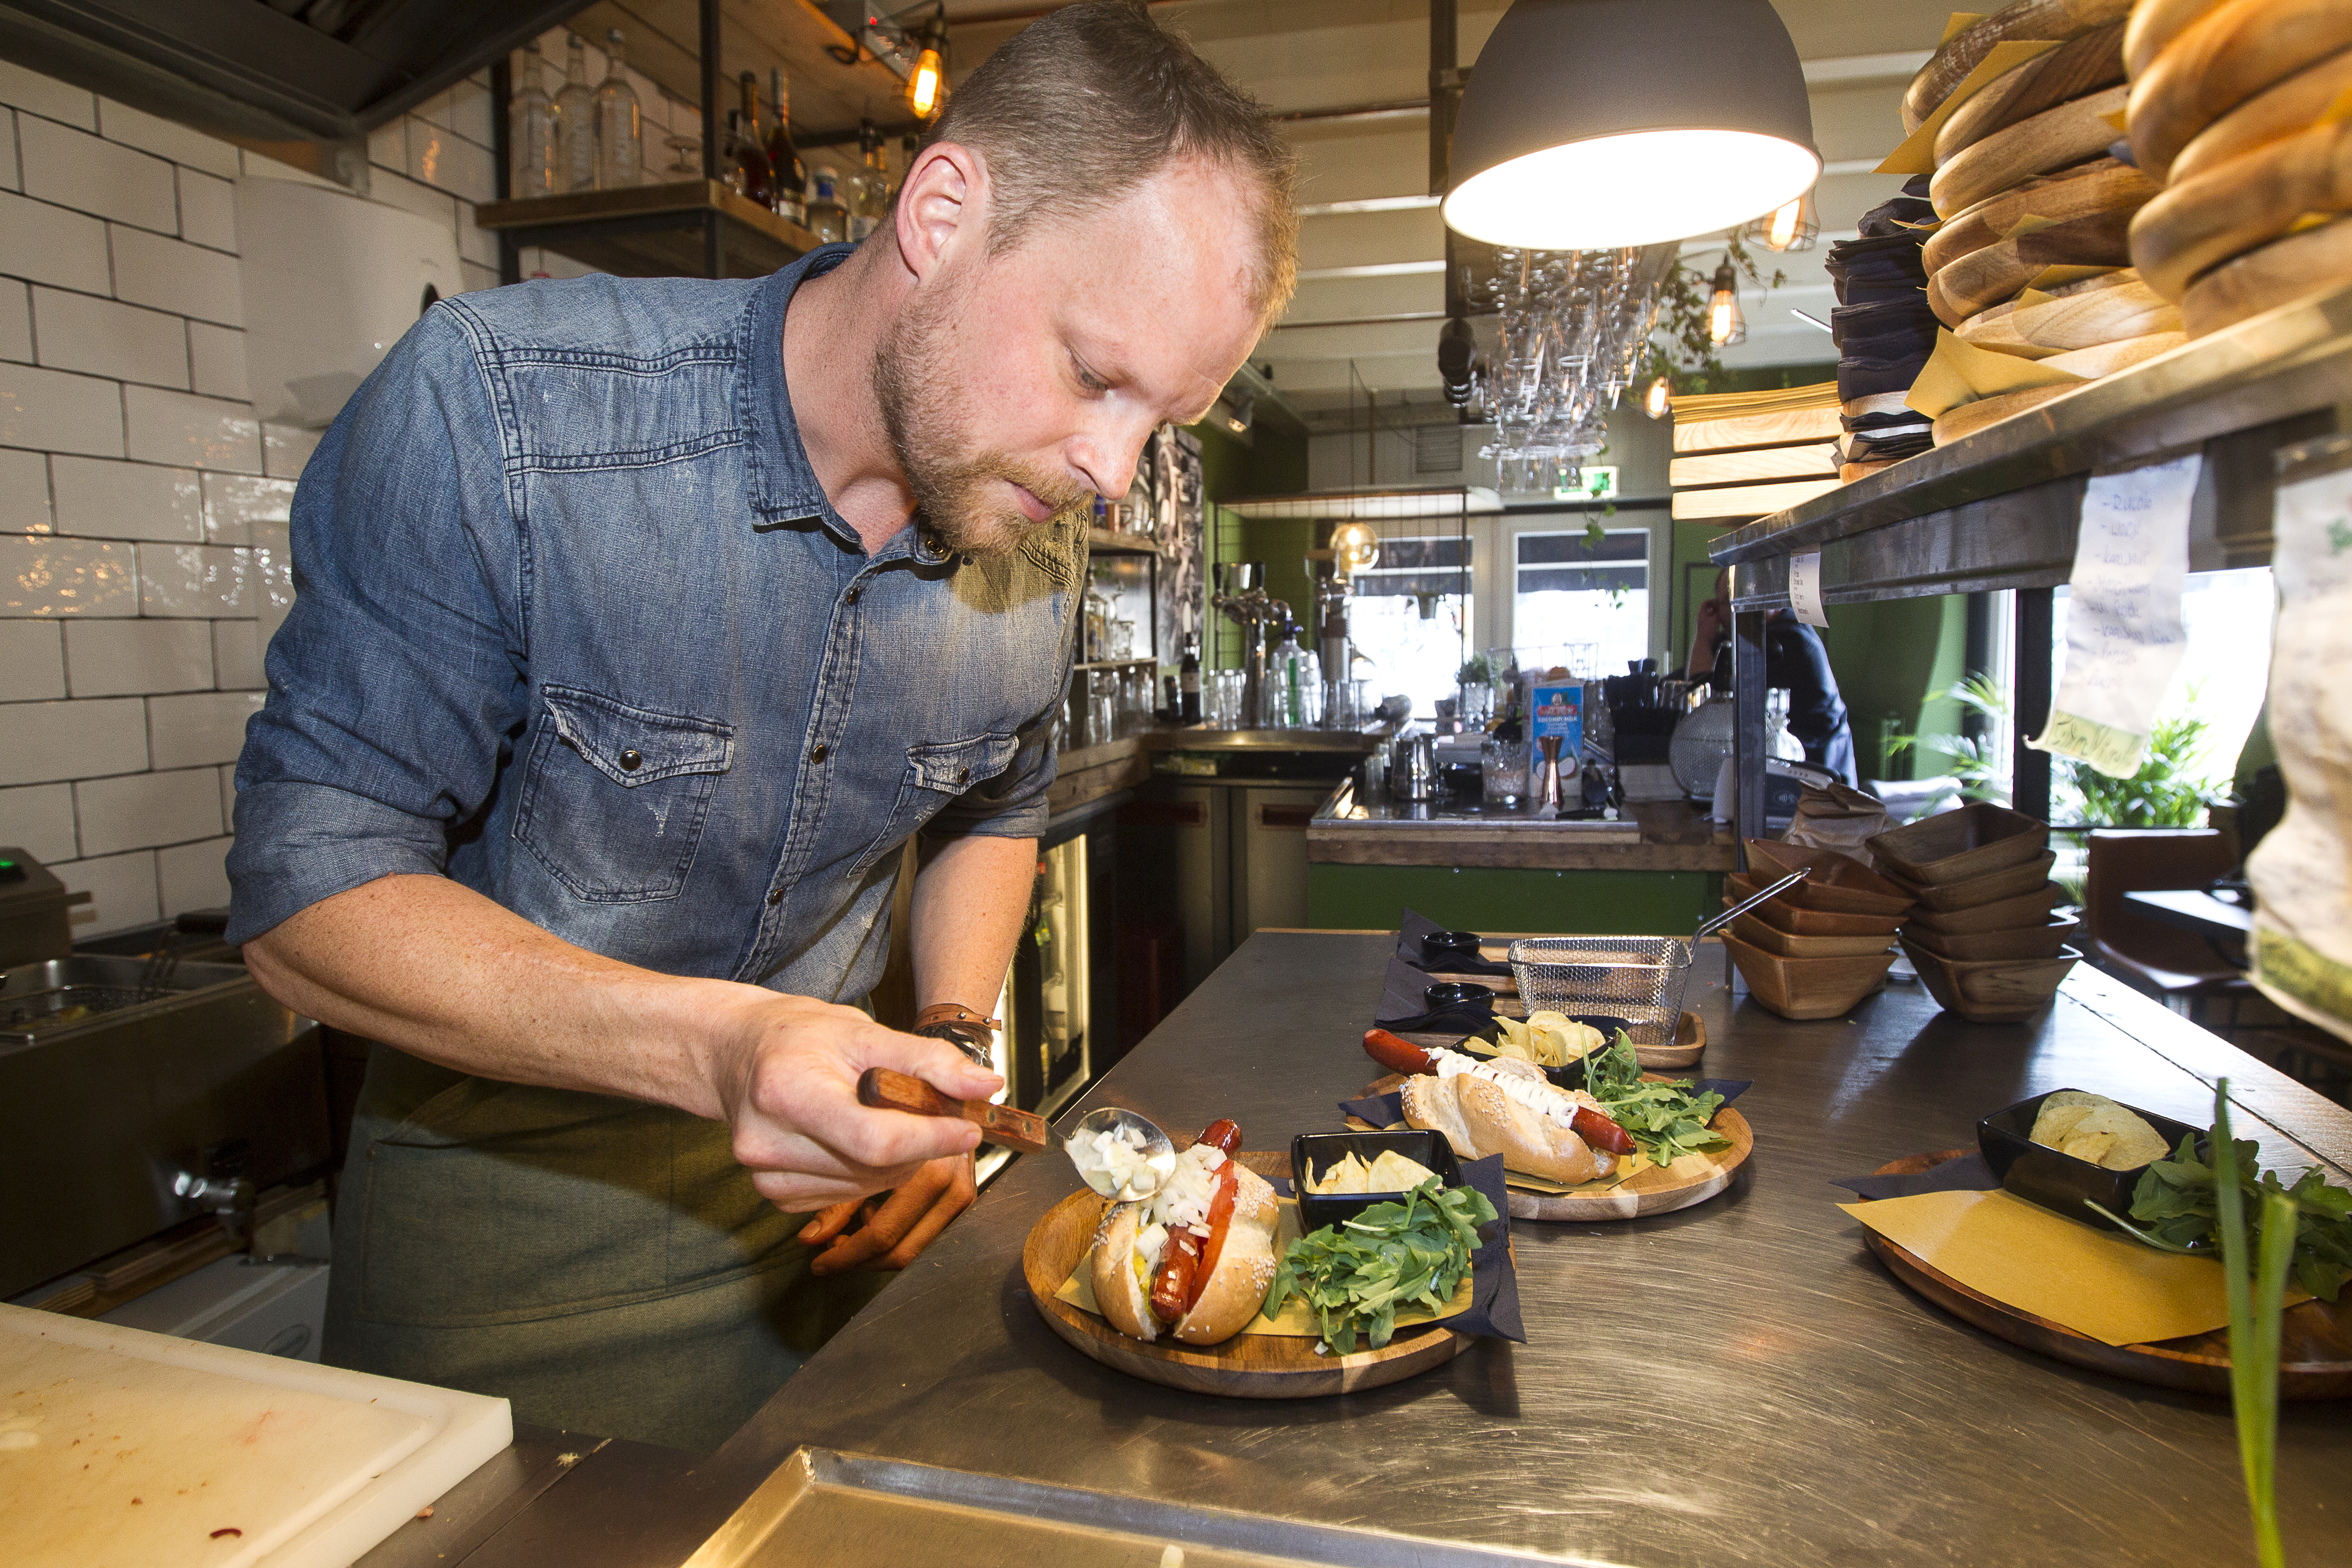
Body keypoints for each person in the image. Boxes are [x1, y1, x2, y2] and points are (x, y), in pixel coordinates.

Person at [223, 0, 1296, 1451]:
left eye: (1160, 420)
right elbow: (309, 894)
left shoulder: (1025, 522)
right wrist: (726, 1048)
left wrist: (942, 1041)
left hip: (847, 1248)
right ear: (941, 212)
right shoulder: (500, 412)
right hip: (509, 1260)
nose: (1112, 473)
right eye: (1095, 375)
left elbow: (996, 801)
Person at [1685, 572, 1859, 786]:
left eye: (1735, 601)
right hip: (1793, 787)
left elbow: (1708, 702)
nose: (1733, 610)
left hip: (1824, 794)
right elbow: (1693, 690)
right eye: (1727, 603)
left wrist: (1703, 638)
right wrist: (1706, 638)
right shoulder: (1748, 636)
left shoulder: (1788, 643)